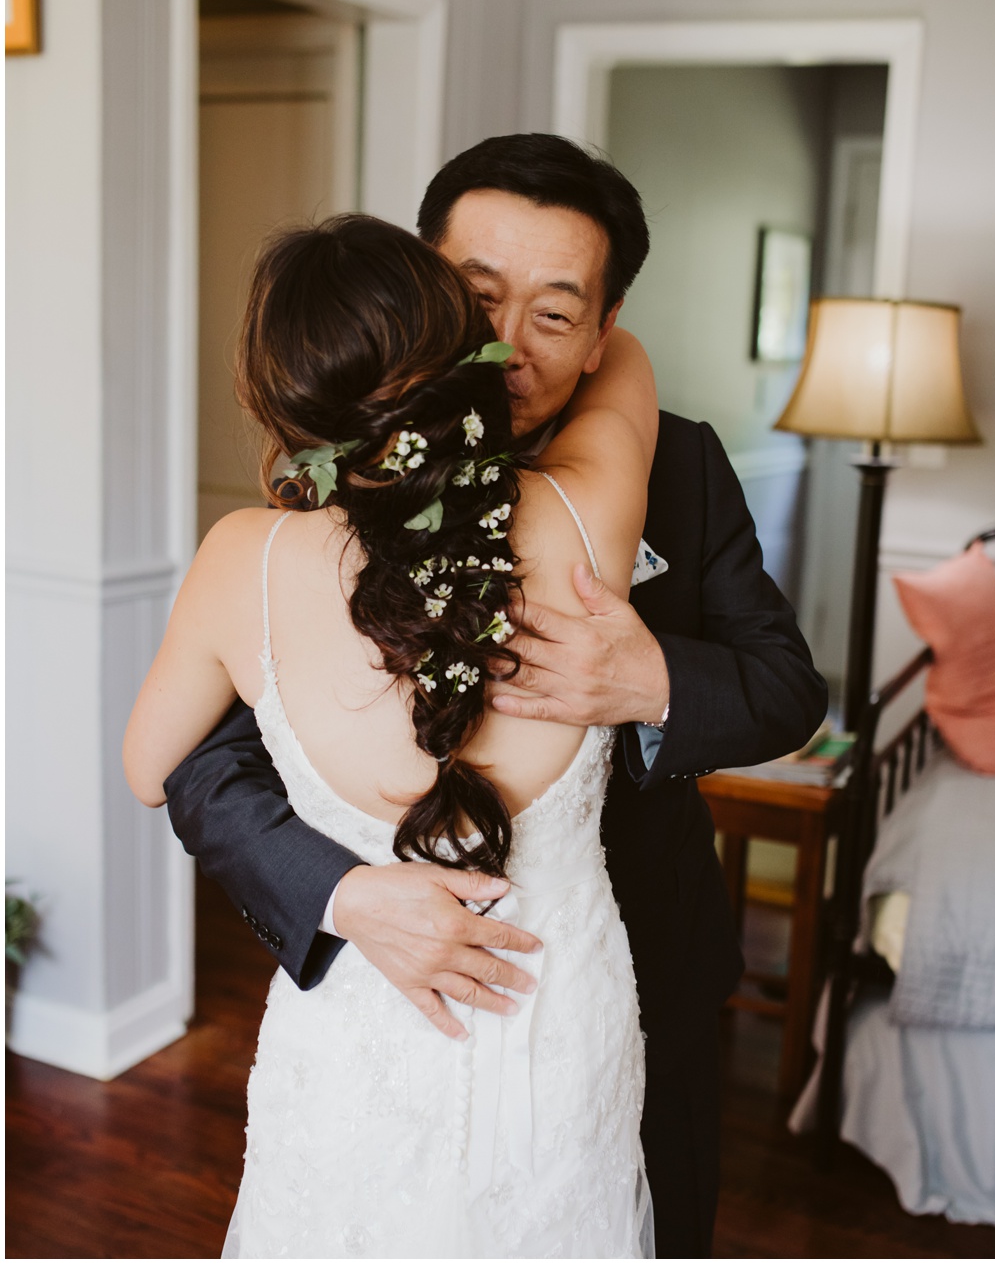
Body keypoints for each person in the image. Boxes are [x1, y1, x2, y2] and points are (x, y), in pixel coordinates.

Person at [161, 135, 827, 1257]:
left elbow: (786, 687)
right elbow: (204, 762)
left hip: (629, 973)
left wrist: (652, 680)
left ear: (605, 329)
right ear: (420, 284)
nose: (508, 347)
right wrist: (341, 896)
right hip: (378, 984)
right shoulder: (331, 475)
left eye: (556, 314)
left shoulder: (677, 463)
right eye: (477, 297)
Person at [125, 214, 658, 1253]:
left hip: (357, 1033)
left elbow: (150, 767)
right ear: (468, 358)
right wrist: (520, 339)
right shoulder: (584, 513)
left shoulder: (244, 560)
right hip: (555, 1027)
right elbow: (626, 363)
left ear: (275, 404)